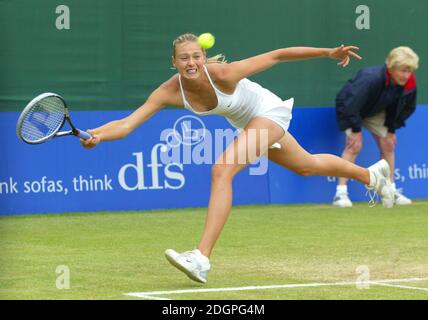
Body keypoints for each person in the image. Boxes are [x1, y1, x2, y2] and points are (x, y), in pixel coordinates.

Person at [81, 33, 395, 284]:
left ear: (203, 58)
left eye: (196, 56)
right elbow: (126, 124)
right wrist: (98, 134)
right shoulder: (169, 91)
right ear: (173, 62)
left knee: (222, 169)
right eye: (184, 58)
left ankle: (201, 258)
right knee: (306, 165)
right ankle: (372, 177)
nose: (191, 62)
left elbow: (277, 55)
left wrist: (327, 52)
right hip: (251, 123)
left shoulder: (223, 74)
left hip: (268, 113)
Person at [333, 46, 419, 208]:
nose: (406, 75)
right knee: (354, 145)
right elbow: (351, 104)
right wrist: (356, 131)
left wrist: (391, 130)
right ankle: (341, 193)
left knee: (388, 144)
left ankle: (390, 190)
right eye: (402, 71)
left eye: (409, 71)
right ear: (391, 68)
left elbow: (404, 108)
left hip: (376, 110)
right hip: (351, 108)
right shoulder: (370, 78)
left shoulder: (409, 84)